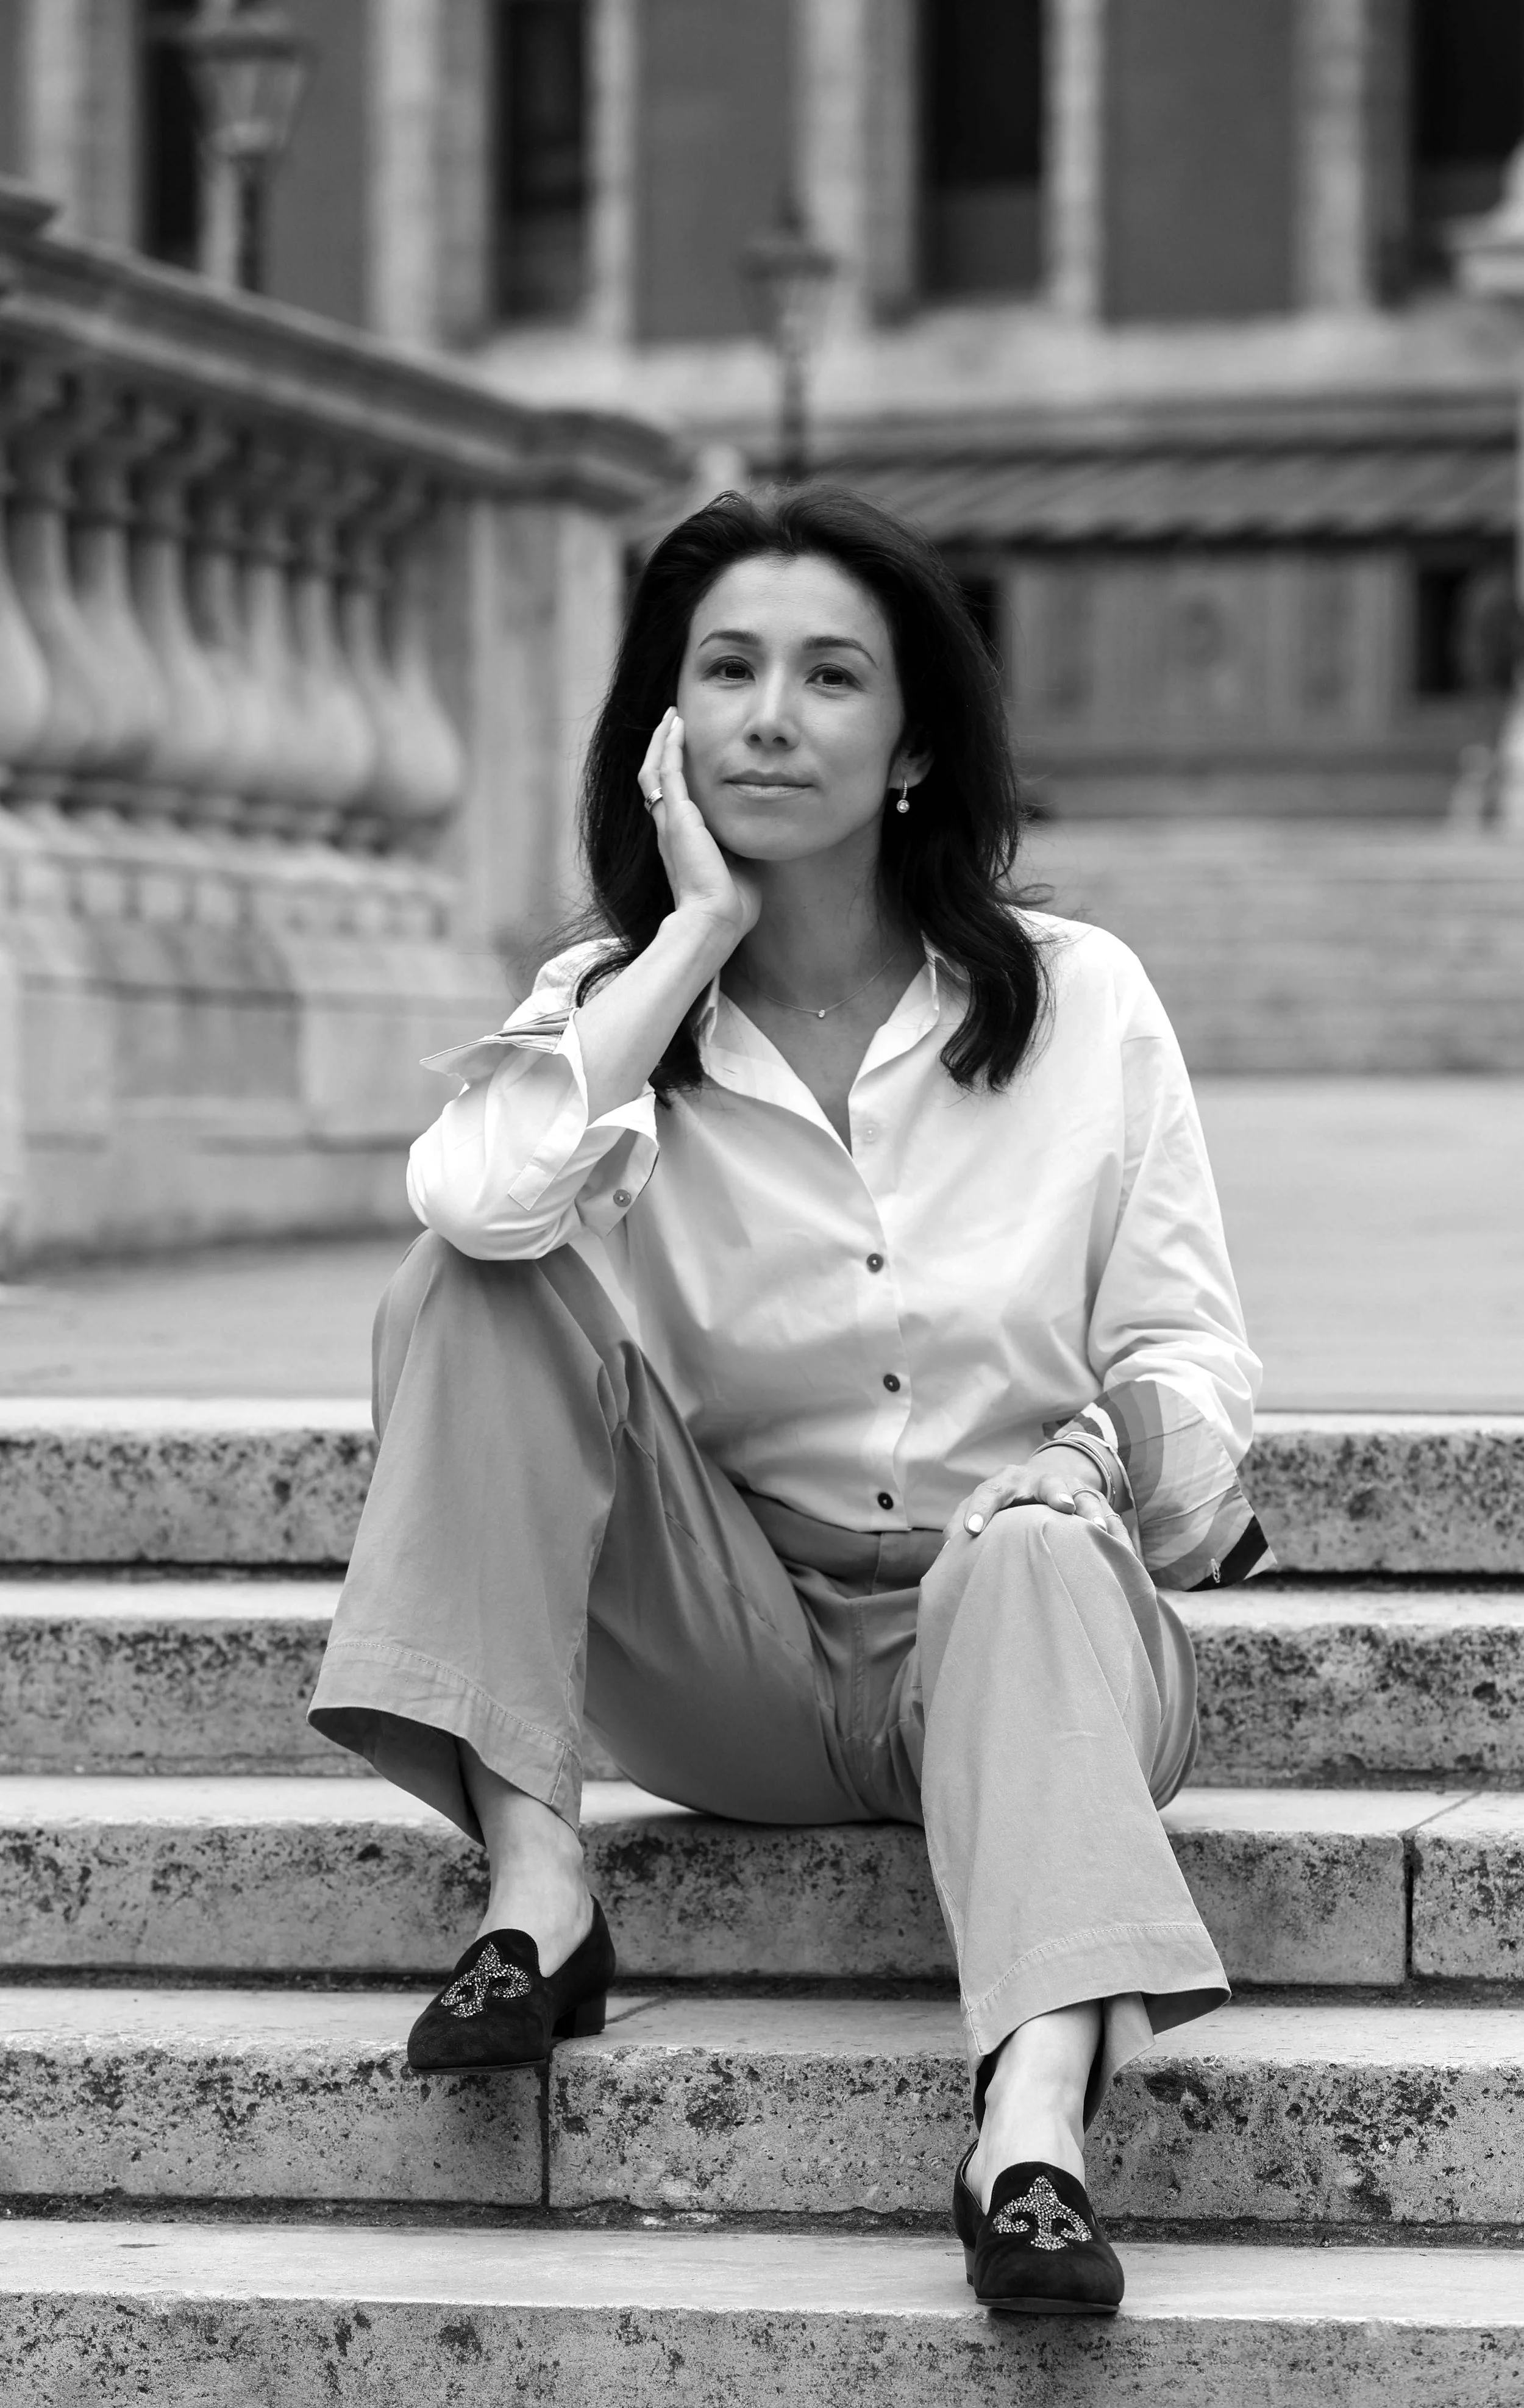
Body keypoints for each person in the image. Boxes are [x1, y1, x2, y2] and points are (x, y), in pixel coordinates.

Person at [308, 485, 1270, 2317]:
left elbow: (1186, 1350)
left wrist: (1111, 1464)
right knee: (470, 1283)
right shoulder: (612, 1009)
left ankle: (1032, 2131)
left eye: (831, 676)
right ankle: (538, 1890)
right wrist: (679, 941)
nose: (770, 713)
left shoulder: (1081, 1000)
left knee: (1033, 1550)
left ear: (912, 742)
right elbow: (471, 1197)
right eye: (727, 669)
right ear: (666, 729)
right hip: (739, 1645)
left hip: (1021, 1628)